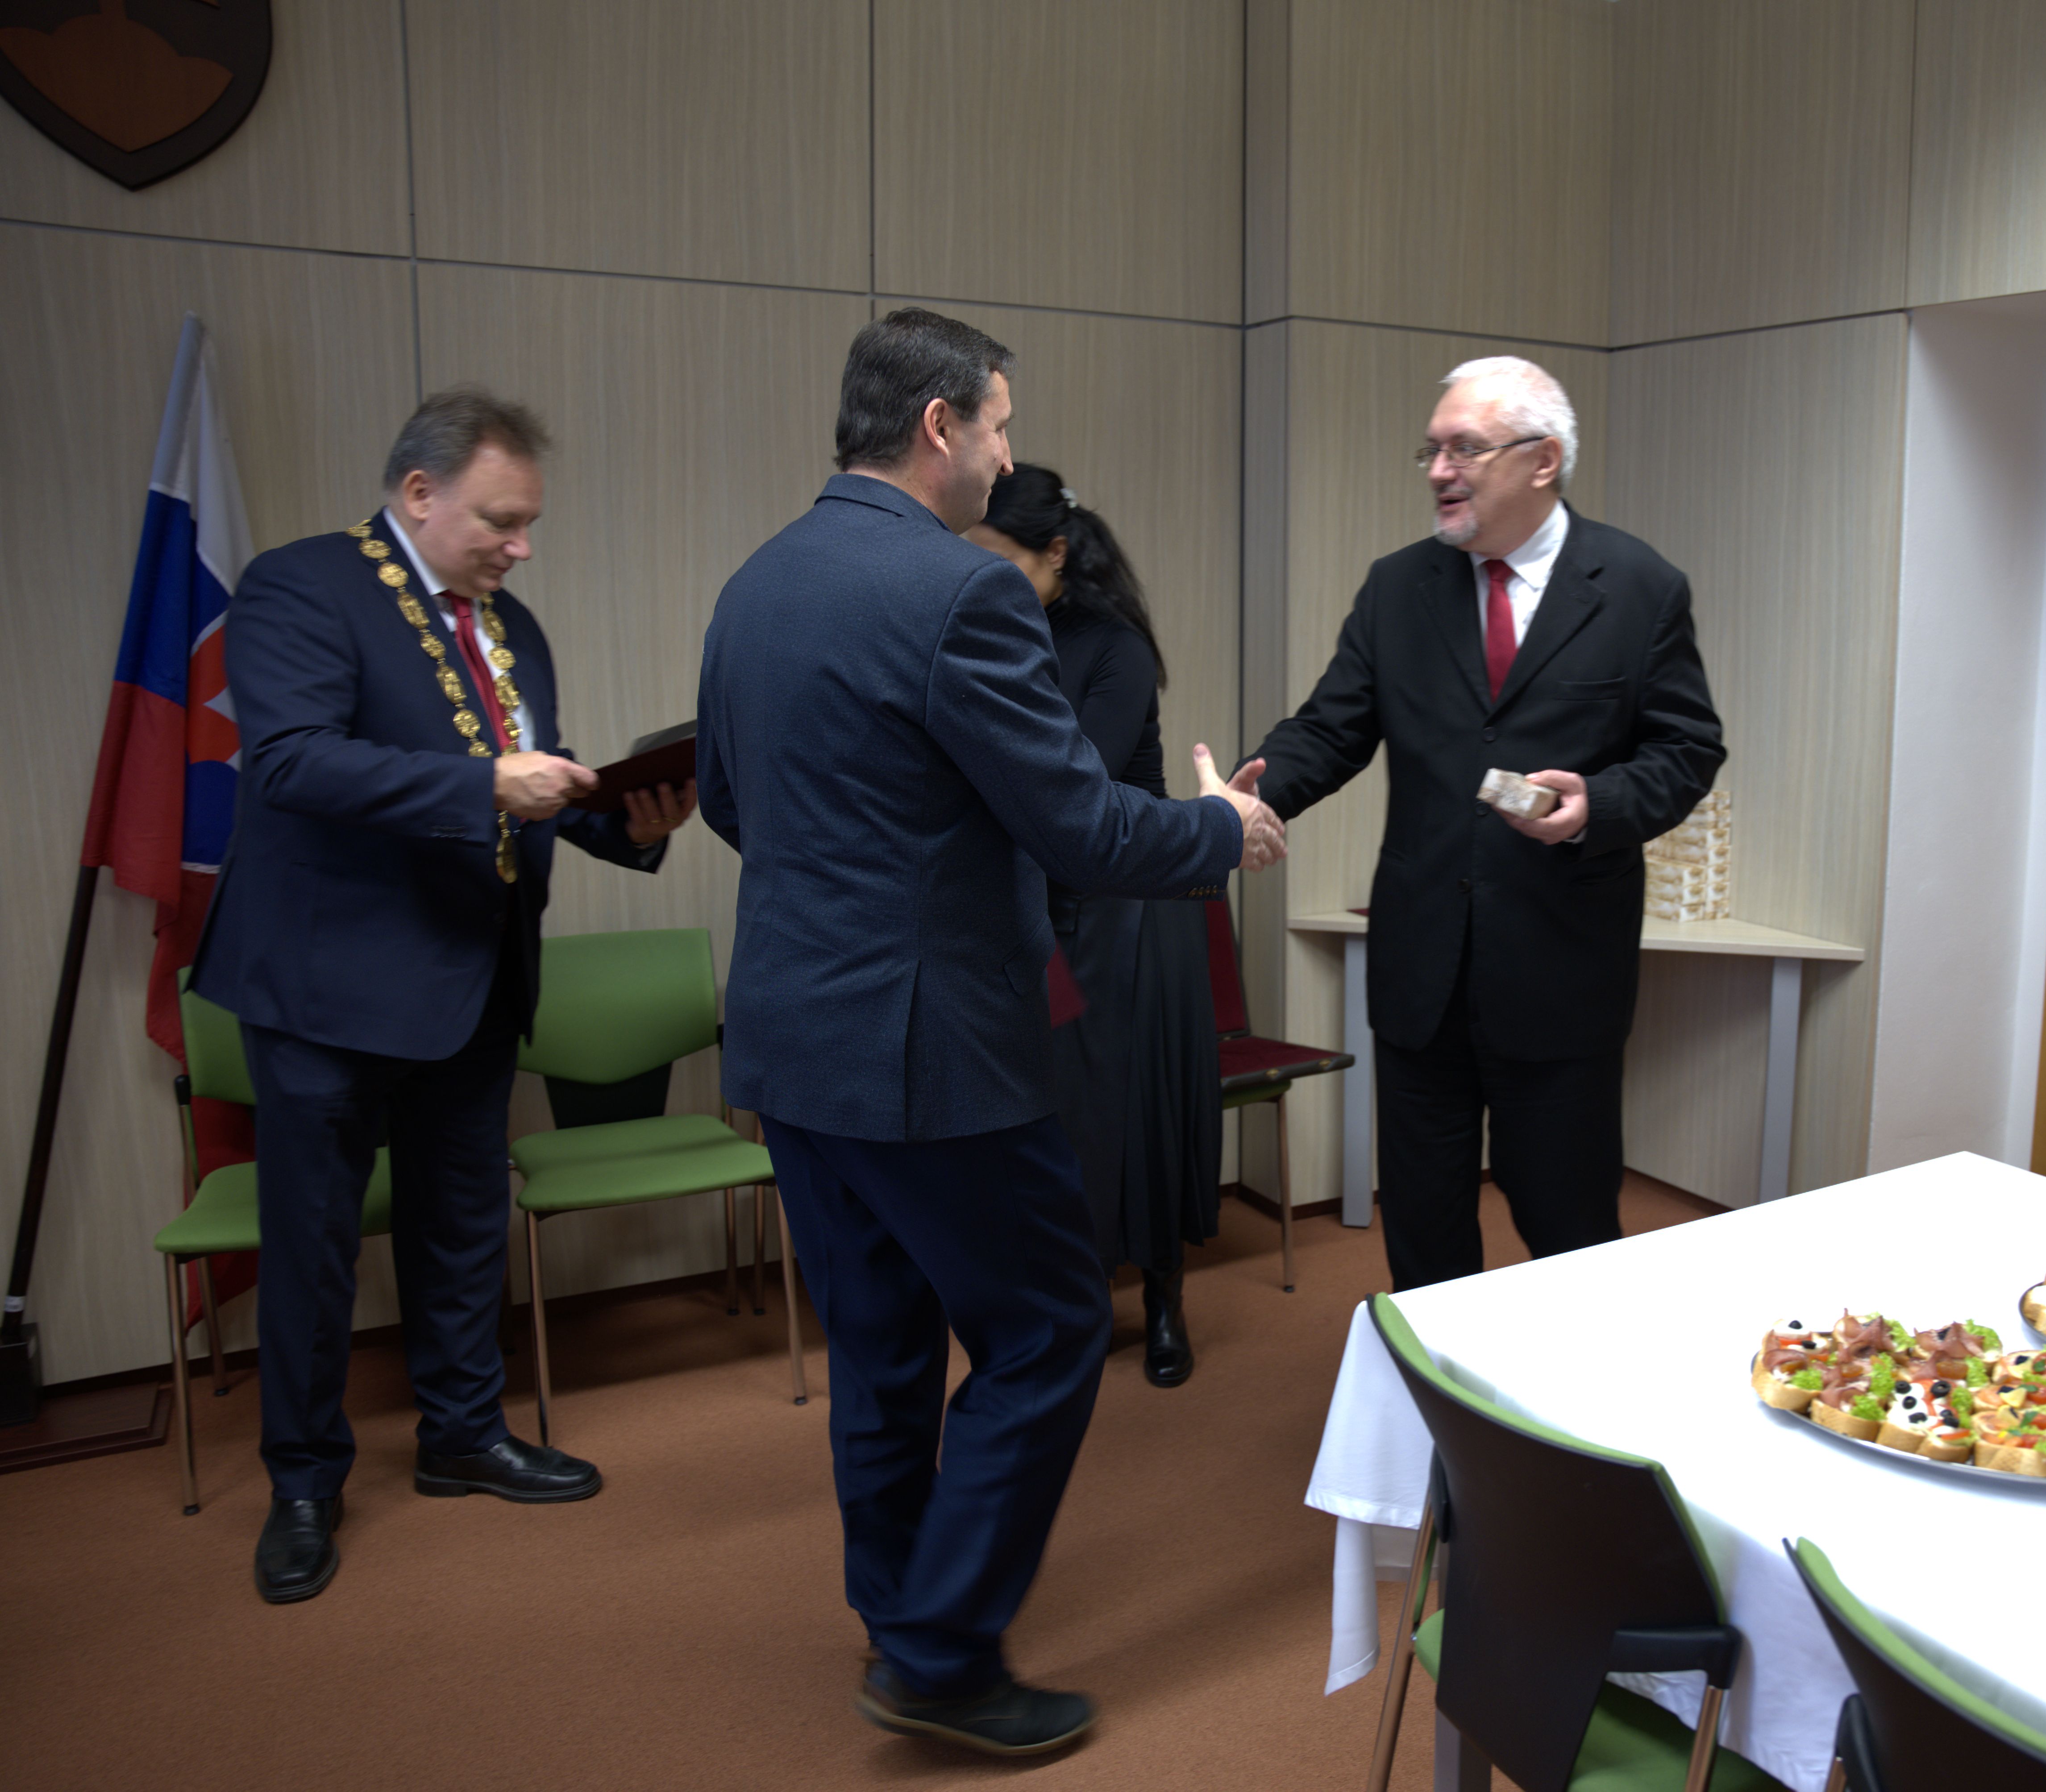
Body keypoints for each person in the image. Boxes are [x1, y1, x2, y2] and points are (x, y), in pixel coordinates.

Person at [696, 309, 1283, 1758]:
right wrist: (1221, 827)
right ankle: (944, 1652)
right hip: (933, 1051)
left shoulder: (758, 580)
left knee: (883, 1349)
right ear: (941, 425)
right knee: (1047, 1329)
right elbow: (1081, 827)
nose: (1010, 456)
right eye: (1001, 425)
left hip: (791, 1045)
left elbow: (726, 802)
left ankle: (898, 1613)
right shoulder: (963, 594)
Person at [191, 389, 697, 1605]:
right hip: (327, 990)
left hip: (474, 978)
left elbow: (537, 785)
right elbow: (294, 761)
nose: (521, 547)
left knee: (463, 1225)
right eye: (500, 521)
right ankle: (303, 1481)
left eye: (529, 525)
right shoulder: (301, 585)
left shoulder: (512, 626)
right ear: (419, 494)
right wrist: (484, 786)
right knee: (314, 1245)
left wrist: (628, 823)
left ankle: (463, 1435)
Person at [1244, 357, 1724, 1291]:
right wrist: (1253, 795)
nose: (1438, 471)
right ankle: (1436, 1390)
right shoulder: (1398, 587)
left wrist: (1597, 808)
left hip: (1562, 972)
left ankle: (1572, 1389)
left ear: (1543, 460)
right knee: (1424, 1232)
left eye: (1464, 449)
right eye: (1432, 450)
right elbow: (1330, 729)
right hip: (1422, 973)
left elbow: (1687, 749)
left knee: (1569, 1227)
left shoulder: (1638, 586)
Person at [966, 466, 1219, 1388]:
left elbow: (1073, 788)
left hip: (1132, 912)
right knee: (1058, 1112)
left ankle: (1164, 1299)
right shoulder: (989, 638)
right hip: (1042, 913)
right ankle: (1070, 1305)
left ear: (1057, 553)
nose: (981, 579)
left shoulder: (1114, 647)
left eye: (999, 561)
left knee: (1139, 1108)